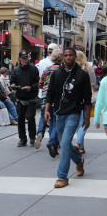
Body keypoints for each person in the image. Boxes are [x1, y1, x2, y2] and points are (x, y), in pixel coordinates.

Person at [44, 48, 92, 188]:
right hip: (59, 114)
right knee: (64, 143)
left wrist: (87, 118)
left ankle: (62, 177)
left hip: (74, 113)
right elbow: (50, 93)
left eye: (71, 55)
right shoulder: (56, 73)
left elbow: (87, 98)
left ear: (75, 57)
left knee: (64, 144)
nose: (68, 57)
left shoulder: (82, 75)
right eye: (66, 55)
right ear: (63, 57)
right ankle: (79, 161)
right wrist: (47, 110)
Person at [35, 49, 63, 157]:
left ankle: (53, 146)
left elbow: (40, 84)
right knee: (57, 122)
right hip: (57, 98)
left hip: (45, 98)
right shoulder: (62, 70)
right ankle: (52, 142)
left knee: (49, 120)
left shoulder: (47, 70)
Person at [10, 50, 39, 147]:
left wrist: (31, 87)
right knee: (21, 119)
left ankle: (32, 137)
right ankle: (22, 139)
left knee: (30, 117)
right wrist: (13, 85)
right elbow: (12, 81)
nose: (25, 59)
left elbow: (37, 82)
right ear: (19, 59)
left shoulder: (33, 69)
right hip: (20, 97)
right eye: (23, 58)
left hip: (31, 97)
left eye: (26, 57)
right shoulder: (16, 70)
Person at [36, 43, 59, 146]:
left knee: (43, 116)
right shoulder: (59, 67)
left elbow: (39, 82)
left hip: (43, 95)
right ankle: (53, 141)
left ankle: (40, 133)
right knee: (54, 118)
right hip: (55, 96)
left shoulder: (41, 63)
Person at [74, 51, 96, 154]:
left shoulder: (72, 68)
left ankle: (81, 146)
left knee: (79, 123)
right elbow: (93, 84)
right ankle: (79, 144)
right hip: (86, 98)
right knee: (83, 123)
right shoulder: (88, 68)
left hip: (74, 99)